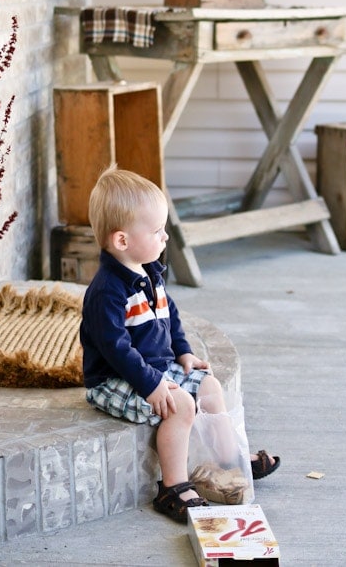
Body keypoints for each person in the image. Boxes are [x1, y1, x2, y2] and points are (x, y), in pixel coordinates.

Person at [80, 165, 280, 524]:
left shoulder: (149, 270)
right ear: (122, 240)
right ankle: (172, 487)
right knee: (181, 405)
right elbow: (115, 348)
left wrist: (183, 351)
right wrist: (152, 383)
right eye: (157, 231)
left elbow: (170, 314)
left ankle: (225, 460)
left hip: (154, 369)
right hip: (115, 380)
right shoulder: (107, 291)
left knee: (209, 385)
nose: (166, 237)